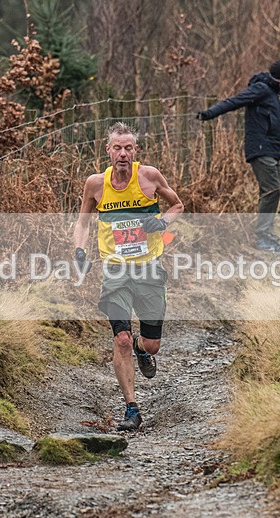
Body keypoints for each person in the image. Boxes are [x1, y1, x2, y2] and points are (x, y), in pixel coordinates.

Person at [73, 122, 184, 432]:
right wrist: (79, 251)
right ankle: (131, 408)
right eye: (117, 148)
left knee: (152, 344)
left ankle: (141, 347)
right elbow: (82, 222)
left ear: (136, 151)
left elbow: (177, 205)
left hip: (149, 268)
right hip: (115, 270)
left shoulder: (149, 177)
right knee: (120, 339)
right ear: (108, 151)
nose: (122, 153)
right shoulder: (96, 184)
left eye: (128, 148)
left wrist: (162, 222)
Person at [195, 60, 280, 253]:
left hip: (270, 150)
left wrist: (277, 155)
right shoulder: (261, 89)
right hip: (261, 149)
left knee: (270, 192)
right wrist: (209, 114)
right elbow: (235, 101)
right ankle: (263, 237)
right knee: (271, 191)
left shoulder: (273, 94)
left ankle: (266, 234)